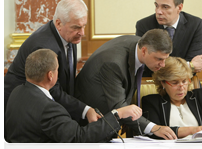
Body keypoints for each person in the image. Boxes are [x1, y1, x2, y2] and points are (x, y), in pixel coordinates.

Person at [6, 49, 142, 148]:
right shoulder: (48, 108)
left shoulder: (17, 92)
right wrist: (117, 114)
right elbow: (80, 137)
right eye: (57, 69)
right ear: (50, 75)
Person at [4, 0, 98, 124]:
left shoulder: (69, 35)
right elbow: (53, 89)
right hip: (22, 114)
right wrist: (85, 110)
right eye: (77, 27)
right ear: (59, 24)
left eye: (84, 26)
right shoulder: (44, 46)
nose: (82, 33)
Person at [75, 29, 178, 140]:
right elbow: (119, 107)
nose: (163, 65)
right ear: (144, 51)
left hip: (107, 118)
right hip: (91, 124)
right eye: (159, 59)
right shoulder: (114, 64)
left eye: (165, 59)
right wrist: (154, 128)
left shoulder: (140, 44)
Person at [142, 56, 202, 139]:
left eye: (184, 81)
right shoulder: (151, 102)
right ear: (162, 83)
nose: (181, 87)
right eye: (175, 82)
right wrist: (192, 130)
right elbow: (153, 132)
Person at [136, 0, 202, 77]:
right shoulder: (144, 25)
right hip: (153, 82)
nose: (158, 11)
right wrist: (189, 65)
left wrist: (191, 66)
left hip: (184, 82)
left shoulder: (196, 24)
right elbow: (146, 64)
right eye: (156, 6)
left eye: (165, 7)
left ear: (179, 8)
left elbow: (197, 65)